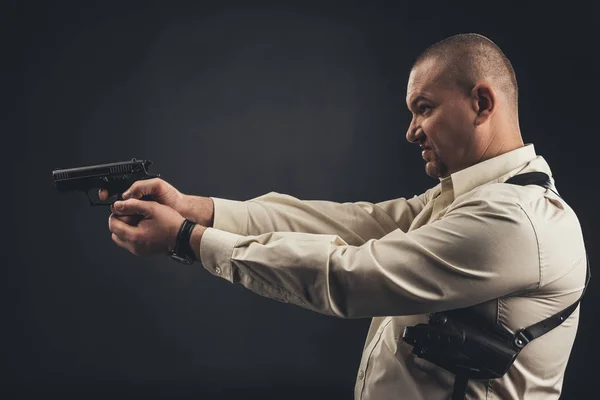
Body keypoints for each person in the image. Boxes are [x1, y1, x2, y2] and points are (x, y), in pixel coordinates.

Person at [101, 33, 587, 399]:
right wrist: (198, 209)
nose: (411, 131)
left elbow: (349, 276)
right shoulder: (467, 199)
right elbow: (345, 224)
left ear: (481, 103)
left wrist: (189, 238)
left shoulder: (516, 219)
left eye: (424, 108)